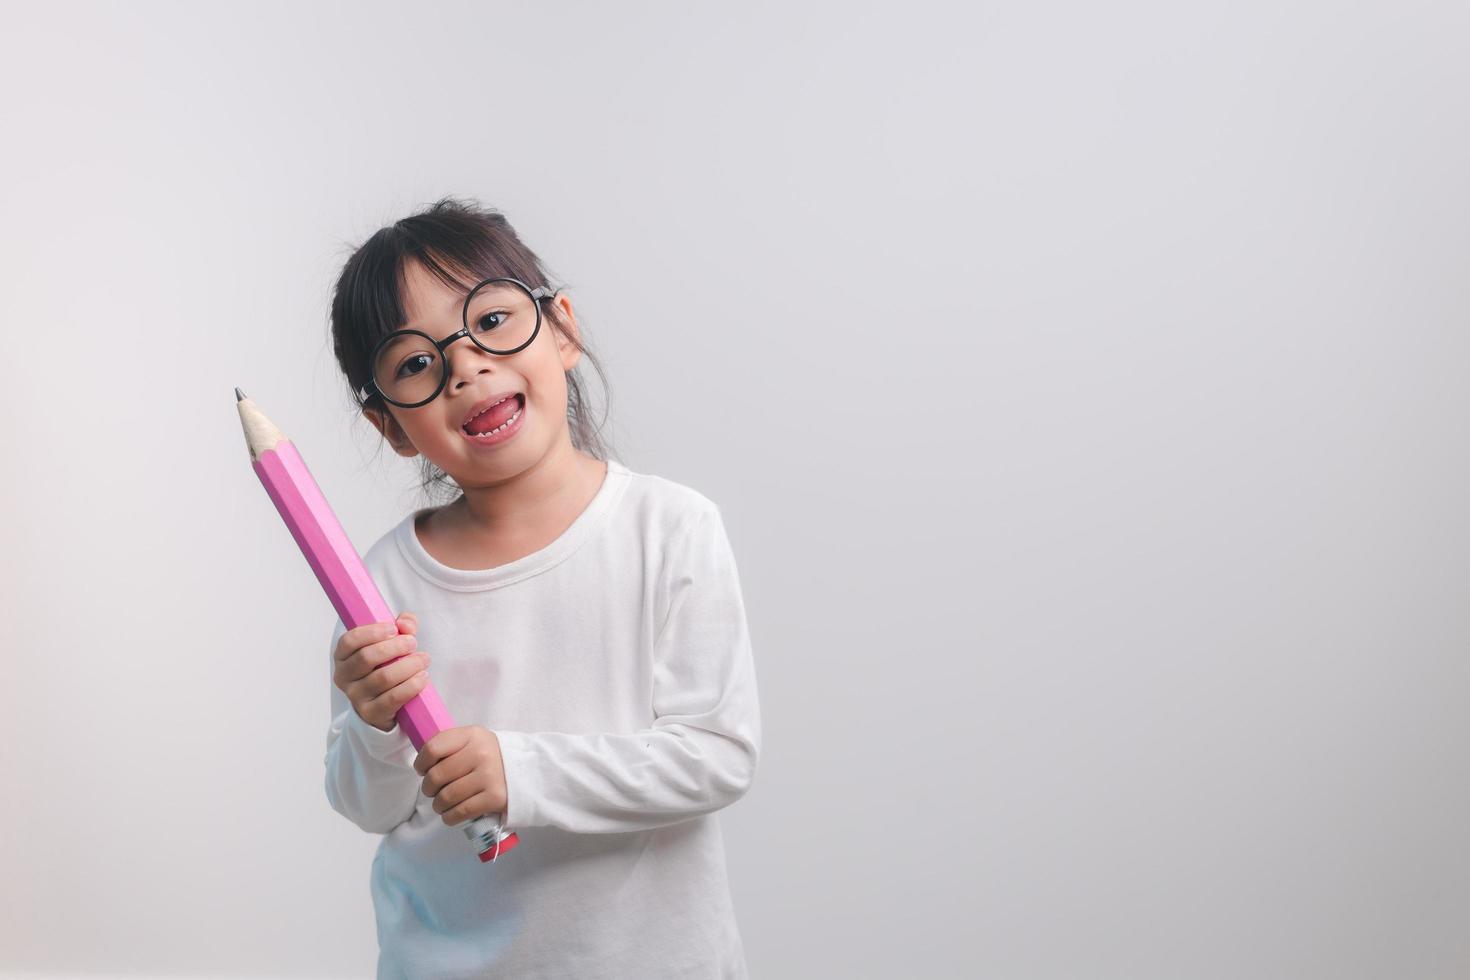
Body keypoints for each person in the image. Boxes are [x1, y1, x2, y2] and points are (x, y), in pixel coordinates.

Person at [321, 197, 762, 979]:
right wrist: (374, 723)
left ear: (560, 328)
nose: (465, 367)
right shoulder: (378, 581)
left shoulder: (670, 528)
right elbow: (368, 805)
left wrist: (518, 773)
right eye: (416, 364)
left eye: (490, 322)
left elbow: (716, 757)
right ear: (388, 425)